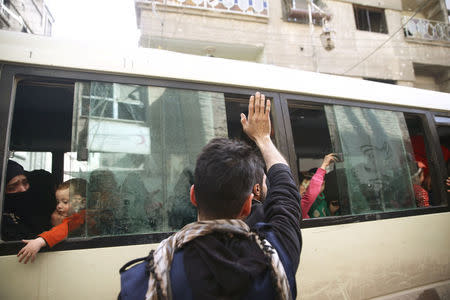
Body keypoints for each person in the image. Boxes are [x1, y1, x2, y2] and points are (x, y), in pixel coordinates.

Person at [120, 92, 302, 299]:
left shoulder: (144, 283)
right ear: (247, 206)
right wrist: (263, 138)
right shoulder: (277, 256)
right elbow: (286, 191)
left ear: (193, 196)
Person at [17, 178, 87, 264]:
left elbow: (63, 229)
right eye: (58, 202)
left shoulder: (82, 216)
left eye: (65, 202)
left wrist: (40, 241)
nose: (59, 206)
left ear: (83, 202)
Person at [2, 160, 54, 240]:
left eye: (25, 183)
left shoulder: (34, 211)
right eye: (12, 187)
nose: (23, 189)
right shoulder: (5, 221)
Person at [300, 153, 339, 219]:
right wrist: (324, 165)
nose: (304, 186)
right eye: (306, 180)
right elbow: (310, 196)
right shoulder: (305, 201)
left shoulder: (323, 198)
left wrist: (332, 212)